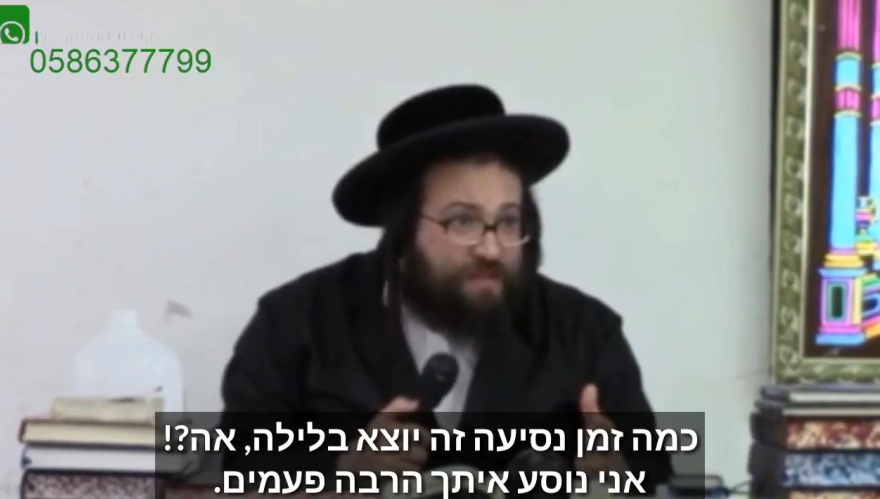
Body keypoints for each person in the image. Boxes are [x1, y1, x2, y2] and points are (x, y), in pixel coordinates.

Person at [220, 84, 673, 492]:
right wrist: (339, 474)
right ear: (403, 229)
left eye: (508, 221)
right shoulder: (295, 324)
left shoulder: (585, 333)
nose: (492, 248)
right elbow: (238, 472)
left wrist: (619, 480)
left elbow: (651, 472)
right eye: (463, 221)